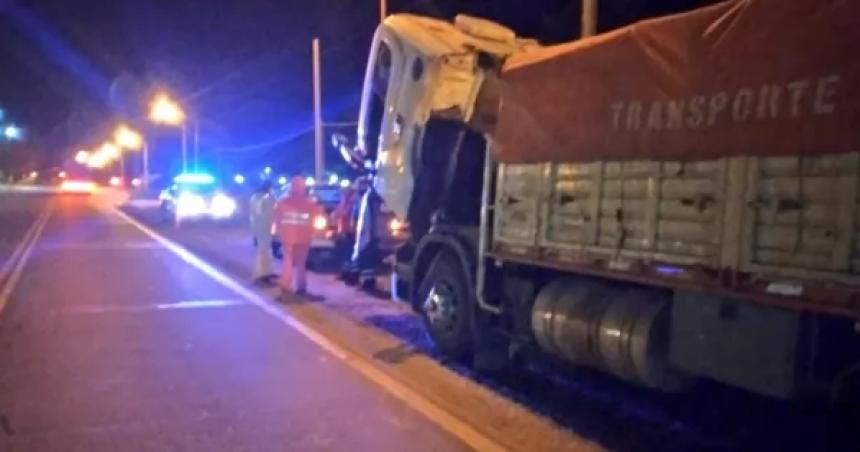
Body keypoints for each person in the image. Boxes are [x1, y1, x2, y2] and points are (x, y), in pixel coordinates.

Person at [274, 176, 321, 299]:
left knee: (288, 261)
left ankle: (285, 284)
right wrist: (313, 232)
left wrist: (280, 232)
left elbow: (277, 219)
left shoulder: (282, 202)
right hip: (304, 237)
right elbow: (316, 219)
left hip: (287, 237)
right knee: (301, 263)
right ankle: (301, 286)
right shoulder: (310, 203)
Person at [249, 180, 276, 286]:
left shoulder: (254, 198)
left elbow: (253, 214)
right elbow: (271, 212)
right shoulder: (267, 198)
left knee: (263, 252)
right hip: (265, 228)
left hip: (257, 227)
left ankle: (265, 273)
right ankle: (262, 274)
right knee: (264, 252)